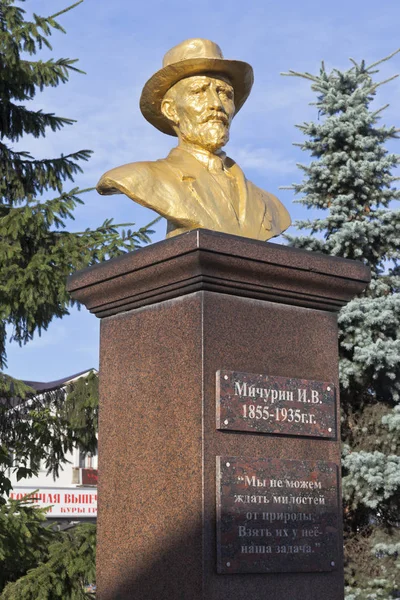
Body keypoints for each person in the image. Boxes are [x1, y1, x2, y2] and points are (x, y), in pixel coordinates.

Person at [97, 38, 291, 241]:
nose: (216, 104)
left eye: (225, 93)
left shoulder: (270, 205)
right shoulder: (138, 177)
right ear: (170, 110)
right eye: (198, 92)